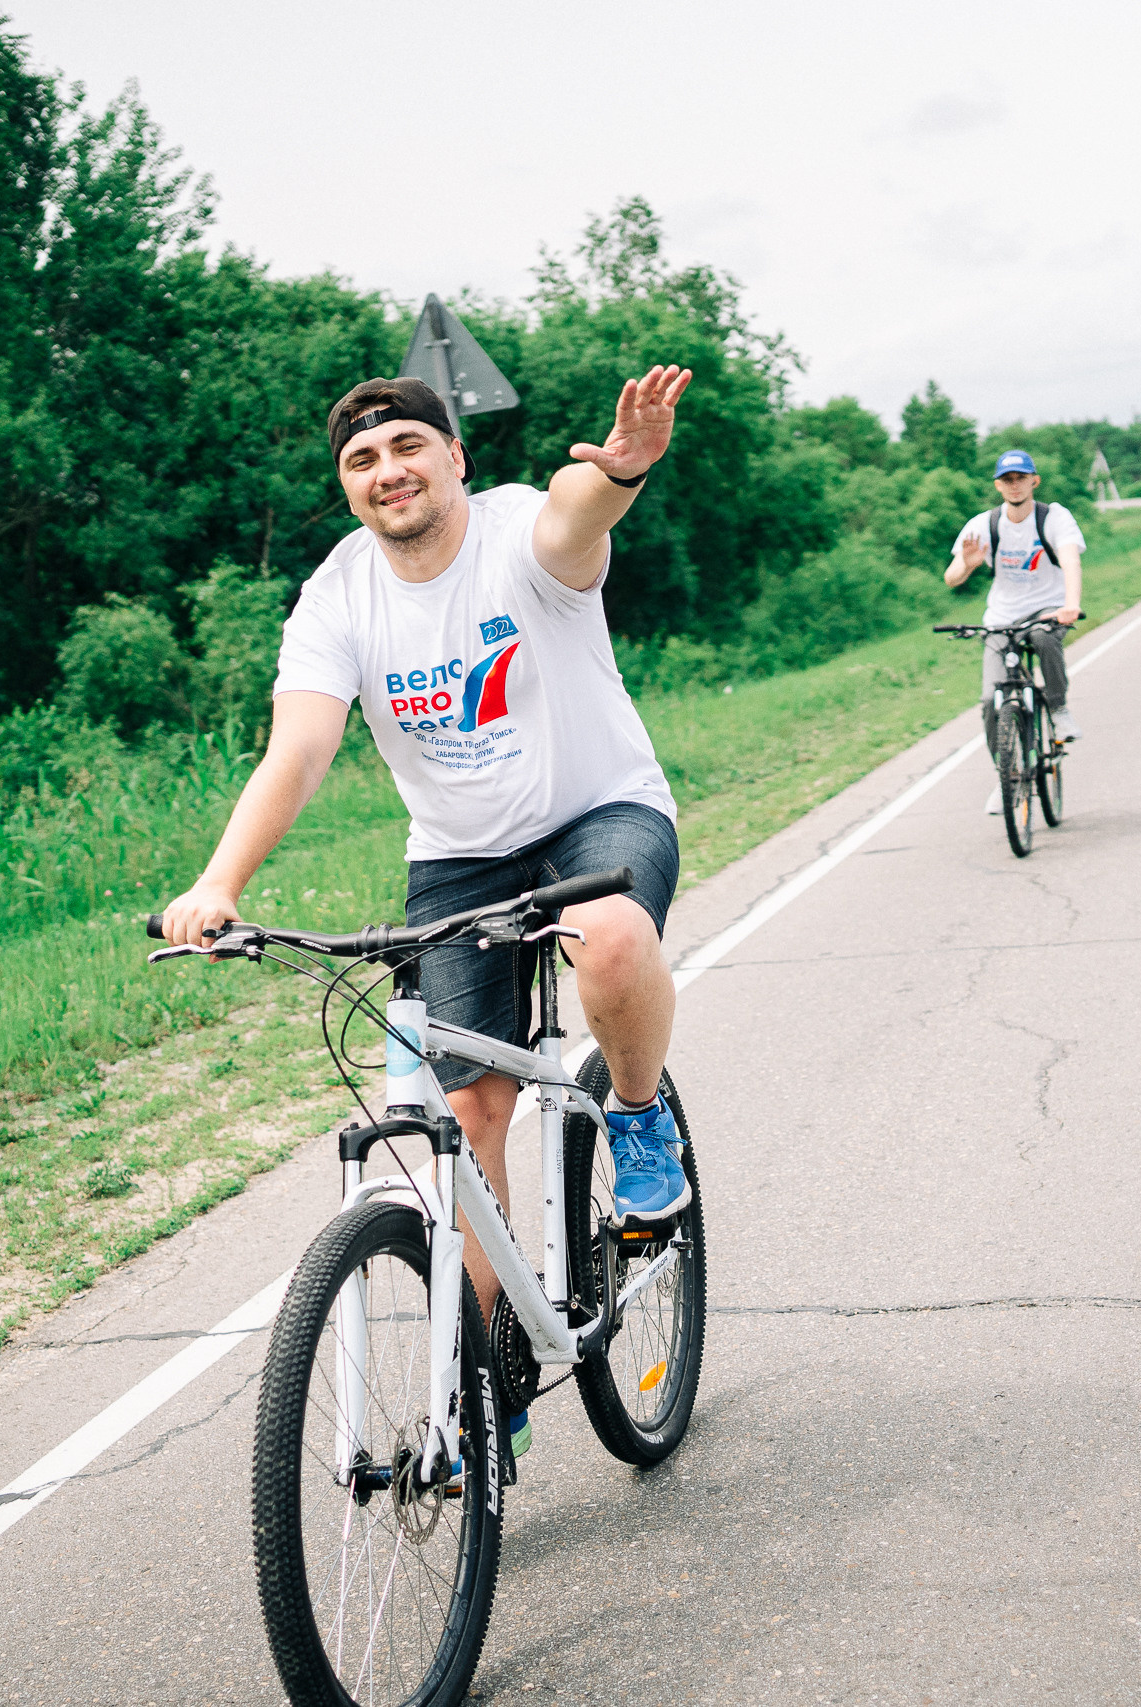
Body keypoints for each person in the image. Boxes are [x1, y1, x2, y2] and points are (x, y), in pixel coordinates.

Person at [158, 368, 698, 1463]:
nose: (386, 470)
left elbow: (575, 513)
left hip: (597, 813)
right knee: (470, 1121)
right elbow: (299, 749)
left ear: (454, 457)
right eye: (360, 460)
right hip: (458, 857)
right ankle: (490, 1367)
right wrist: (220, 883)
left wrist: (623, 464)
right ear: (346, 487)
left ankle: (636, 1115)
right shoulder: (337, 594)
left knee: (608, 940)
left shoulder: (515, 535)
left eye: (408, 445)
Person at [946, 450, 1086, 754]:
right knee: (989, 701)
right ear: (998, 485)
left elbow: (1071, 560)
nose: (1014, 485)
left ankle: (1059, 709)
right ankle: (1005, 777)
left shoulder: (1053, 518)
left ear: (1034, 481)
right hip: (1002, 615)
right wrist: (968, 564)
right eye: (1007, 480)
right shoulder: (985, 523)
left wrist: (1071, 604)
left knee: (1042, 635)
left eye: (1021, 478)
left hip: (1047, 607)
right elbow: (951, 577)